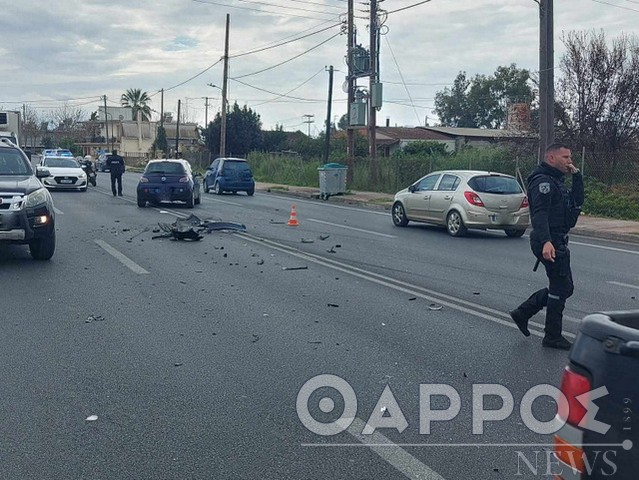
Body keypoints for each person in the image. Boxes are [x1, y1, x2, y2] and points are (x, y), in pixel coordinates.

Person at [510, 143, 584, 350]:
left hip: (557, 239)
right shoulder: (542, 182)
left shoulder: (556, 180)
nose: (569, 161)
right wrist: (546, 242)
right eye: (565, 157)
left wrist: (577, 177)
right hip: (548, 240)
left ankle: (523, 312)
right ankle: (552, 335)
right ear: (551, 158)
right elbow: (539, 214)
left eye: (570, 157)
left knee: (563, 287)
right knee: (561, 288)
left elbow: (577, 201)